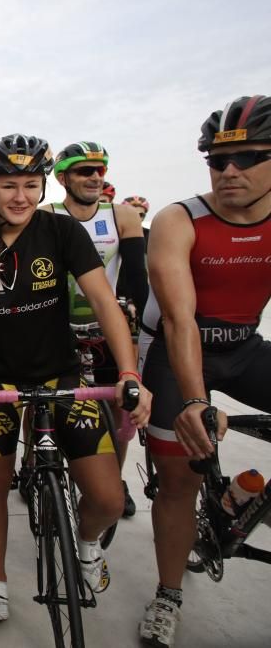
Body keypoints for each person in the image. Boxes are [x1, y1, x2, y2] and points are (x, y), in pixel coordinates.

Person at [0, 133, 150, 622]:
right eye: (9, 185)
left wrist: (129, 373)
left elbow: (104, 302)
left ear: (43, 187)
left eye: (31, 185)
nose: (20, 196)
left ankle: (86, 544)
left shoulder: (60, 232)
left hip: (62, 377)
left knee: (106, 497)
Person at [137, 94, 271, 647]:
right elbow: (178, 318)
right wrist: (195, 401)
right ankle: (168, 594)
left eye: (247, 159)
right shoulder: (179, 218)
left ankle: (237, 499)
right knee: (179, 480)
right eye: (217, 162)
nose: (229, 172)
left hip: (242, 346)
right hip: (176, 349)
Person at [47, 141, 149, 518]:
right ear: (63, 178)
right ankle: (33, 464)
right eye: (83, 171)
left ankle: (115, 478)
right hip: (58, 324)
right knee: (42, 400)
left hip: (106, 322)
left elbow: (137, 276)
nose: (94, 177)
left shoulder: (121, 215)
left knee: (117, 406)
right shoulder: (48, 213)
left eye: (99, 170)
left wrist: (141, 318)